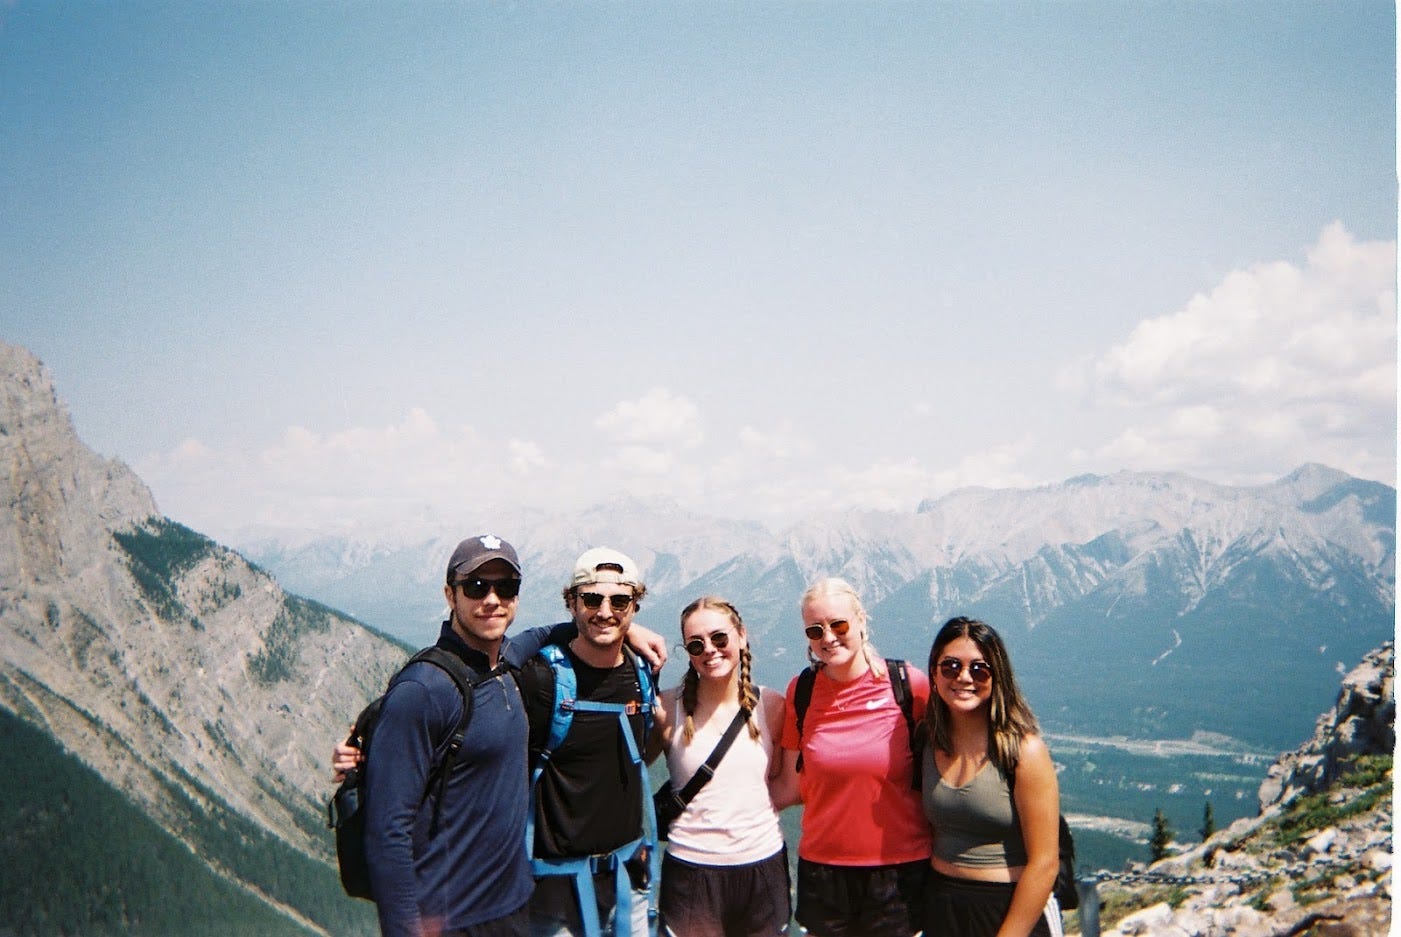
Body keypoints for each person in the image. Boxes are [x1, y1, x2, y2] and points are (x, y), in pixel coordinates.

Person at [338, 536, 667, 937]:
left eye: (505, 587)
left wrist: (622, 626)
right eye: (476, 587)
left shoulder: (507, 665)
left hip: (512, 906)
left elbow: (552, 632)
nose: (492, 599)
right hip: (449, 917)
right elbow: (388, 832)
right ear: (450, 594)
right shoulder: (424, 690)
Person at [775, 578, 932, 937]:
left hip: (899, 871)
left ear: (861, 621)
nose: (828, 638)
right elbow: (790, 785)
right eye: (815, 630)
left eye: (838, 625)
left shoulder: (908, 685)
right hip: (823, 871)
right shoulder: (801, 691)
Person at [518, 547, 657, 937]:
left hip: (626, 881)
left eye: (620, 600)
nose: (605, 611)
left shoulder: (641, 674)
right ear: (572, 604)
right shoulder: (542, 679)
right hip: (554, 890)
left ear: (634, 607)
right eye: (592, 599)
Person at [647, 596, 790, 937]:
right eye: (696, 645)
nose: (709, 650)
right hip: (692, 873)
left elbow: (788, 785)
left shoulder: (770, 706)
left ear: (742, 635)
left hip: (762, 866)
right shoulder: (668, 709)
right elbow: (627, 774)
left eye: (719, 638)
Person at [921, 616, 1062, 937]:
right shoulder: (927, 741)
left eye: (979, 669)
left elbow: (1045, 862)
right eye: (951, 666)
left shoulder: (1023, 751)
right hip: (940, 907)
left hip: (1006, 908)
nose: (964, 677)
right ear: (934, 673)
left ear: (997, 676)